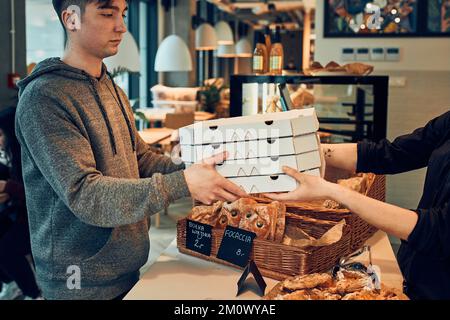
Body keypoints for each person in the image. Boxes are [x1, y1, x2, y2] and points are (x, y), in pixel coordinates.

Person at [15, 0, 246, 300]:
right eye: (107, 13)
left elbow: (141, 158)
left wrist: (196, 169)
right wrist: (184, 183)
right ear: (71, 18)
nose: (121, 26)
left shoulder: (112, 88)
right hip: (77, 283)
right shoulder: (43, 99)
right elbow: (86, 195)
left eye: (122, 14)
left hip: (127, 269)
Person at [265, 111, 450, 300]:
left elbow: (438, 230)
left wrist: (333, 191)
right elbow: (391, 153)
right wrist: (311, 152)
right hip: (413, 268)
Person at [0, 107, 41, 300]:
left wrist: (9, 187)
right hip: (23, 214)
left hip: (38, 220)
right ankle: (14, 283)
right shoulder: (14, 156)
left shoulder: (31, 155)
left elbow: (38, 193)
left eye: (1, 135)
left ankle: (33, 293)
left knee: (6, 249)